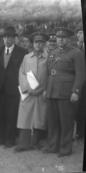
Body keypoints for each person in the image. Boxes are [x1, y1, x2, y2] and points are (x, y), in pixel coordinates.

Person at [43, 27, 85, 157]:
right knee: (53, 121)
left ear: (69, 39)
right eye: (58, 37)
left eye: (63, 38)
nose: (60, 40)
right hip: (52, 91)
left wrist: (76, 91)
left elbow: (81, 74)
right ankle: (52, 146)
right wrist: (46, 89)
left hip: (66, 92)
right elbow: (49, 73)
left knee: (66, 122)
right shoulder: (53, 52)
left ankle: (65, 148)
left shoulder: (76, 53)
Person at [0, 26, 27, 148]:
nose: (8, 40)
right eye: (5, 37)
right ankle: (0, 138)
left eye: (10, 37)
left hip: (14, 89)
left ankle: (10, 139)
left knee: (11, 115)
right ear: (3, 39)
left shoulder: (22, 52)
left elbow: (24, 71)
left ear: (14, 38)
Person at [15, 32, 49, 152]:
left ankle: (37, 142)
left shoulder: (48, 58)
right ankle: (23, 143)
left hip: (42, 93)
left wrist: (45, 90)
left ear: (44, 44)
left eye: (41, 42)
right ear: (33, 44)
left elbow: (50, 75)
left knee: (40, 118)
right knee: (25, 117)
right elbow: (22, 73)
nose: (38, 44)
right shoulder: (27, 57)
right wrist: (27, 88)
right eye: (36, 42)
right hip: (28, 93)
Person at [75, 28, 86, 140]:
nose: (79, 35)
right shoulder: (76, 48)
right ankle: (79, 132)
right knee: (79, 107)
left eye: (81, 32)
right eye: (78, 33)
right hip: (80, 83)